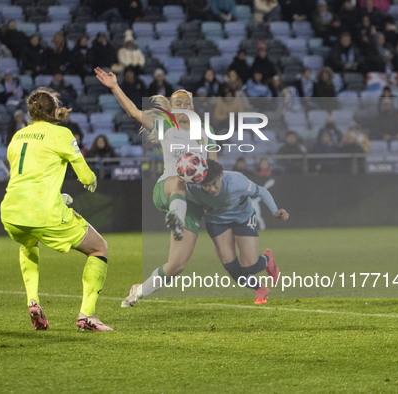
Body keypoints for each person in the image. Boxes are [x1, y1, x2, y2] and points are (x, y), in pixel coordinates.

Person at [94, 67, 218, 308]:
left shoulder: (207, 132)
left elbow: (214, 170)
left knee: (176, 266)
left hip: (192, 204)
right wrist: (114, 87)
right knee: (181, 178)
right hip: (167, 189)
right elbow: (133, 112)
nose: (185, 106)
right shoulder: (166, 128)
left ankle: (138, 291)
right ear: (172, 109)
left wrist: (211, 187)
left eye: (188, 103)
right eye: (179, 103)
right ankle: (175, 218)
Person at [0, 87, 112, 331]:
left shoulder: (18, 137)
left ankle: (33, 301)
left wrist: (55, 193)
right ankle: (87, 316)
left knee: (29, 244)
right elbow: (85, 176)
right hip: (44, 211)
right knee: (99, 248)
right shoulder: (61, 134)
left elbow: (26, 178)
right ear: (53, 110)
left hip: (11, 210)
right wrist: (92, 181)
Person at [184, 160, 288, 304]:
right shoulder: (193, 188)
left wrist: (275, 211)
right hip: (216, 221)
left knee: (250, 266)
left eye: (214, 183)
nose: (212, 189)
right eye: (207, 186)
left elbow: (261, 191)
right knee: (231, 268)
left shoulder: (236, 181)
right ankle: (260, 288)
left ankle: (267, 259)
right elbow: (184, 202)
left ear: (221, 175)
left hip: (243, 218)